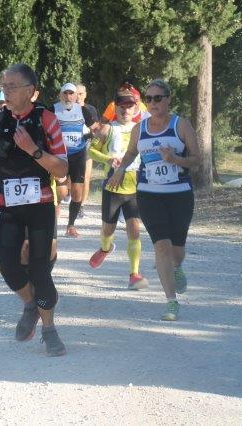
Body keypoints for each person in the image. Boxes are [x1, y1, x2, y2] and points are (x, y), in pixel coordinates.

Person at [0, 64, 68, 357]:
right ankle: (30, 304)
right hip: (7, 206)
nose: (6, 92)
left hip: (40, 206)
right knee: (8, 267)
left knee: (40, 270)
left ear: (31, 91)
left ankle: (49, 330)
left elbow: (62, 169)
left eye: (12, 86)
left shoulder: (46, 120)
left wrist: (32, 150)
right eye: (4, 86)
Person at [108, 79, 199, 321]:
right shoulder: (140, 128)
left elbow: (197, 160)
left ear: (168, 99)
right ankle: (171, 301)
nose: (153, 103)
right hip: (149, 194)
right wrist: (120, 169)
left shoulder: (181, 125)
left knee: (177, 250)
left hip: (179, 195)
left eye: (158, 98)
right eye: (148, 99)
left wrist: (176, 160)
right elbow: (131, 152)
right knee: (161, 246)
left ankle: (177, 267)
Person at [88, 87, 148, 290]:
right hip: (112, 187)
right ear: (115, 108)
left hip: (134, 188)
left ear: (136, 108)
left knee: (134, 230)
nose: (125, 110)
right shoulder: (107, 129)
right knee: (108, 230)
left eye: (129, 106)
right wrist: (108, 159)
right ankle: (105, 248)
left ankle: (134, 274)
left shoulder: (141, 129)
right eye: (121, 106)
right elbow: (91, 151)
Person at [52, 82, 95, 238]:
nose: (68, 97)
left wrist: (91, 136)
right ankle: (52, 222)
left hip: (78, 154)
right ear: (60, 95)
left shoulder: (82, 110)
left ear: (76, 96)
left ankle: (71, 225)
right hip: (59, 155)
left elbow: (95, 128)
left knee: (77, 193)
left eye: (71, 94)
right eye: (65, 93)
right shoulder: (53, 109)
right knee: (62, 193)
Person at [76, 83, 100, 218]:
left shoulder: (91, 109)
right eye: (76, 93)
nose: (78, 96)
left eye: (81, 94)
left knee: (86, 176)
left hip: (86, 144)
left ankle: (81, 205)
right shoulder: (67, 109)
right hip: (70, 146)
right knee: (69, 177)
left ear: (85, 95)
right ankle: (71, 196)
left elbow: (95, 128)